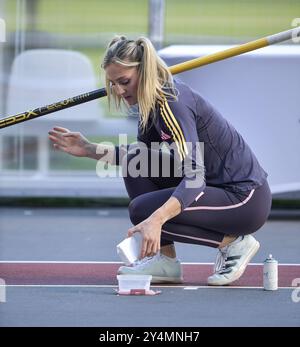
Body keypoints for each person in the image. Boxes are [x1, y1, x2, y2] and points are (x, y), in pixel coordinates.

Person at [48, 36, 272, 286]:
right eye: (113, 84)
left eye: (124, 82)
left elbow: (194, 179)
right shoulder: (150, 104)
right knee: (136, 161)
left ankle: (234, 244)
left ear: (145, 72)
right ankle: (165, 262)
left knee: (142, 211)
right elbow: (142, 156)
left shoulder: (172, 104)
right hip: (213, 185)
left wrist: (156, 219)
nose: (119, 92)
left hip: (244, 198)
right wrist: (90, 149)